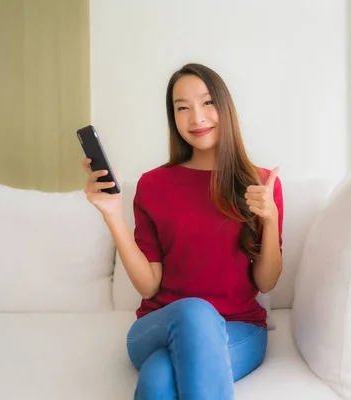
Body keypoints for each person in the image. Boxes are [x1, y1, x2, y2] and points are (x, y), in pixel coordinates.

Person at [82, 63, 284, 399]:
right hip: (158, 325)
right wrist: (112, 216)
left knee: (159, 378)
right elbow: (149, 284)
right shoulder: (152, 185)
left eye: (207, 103)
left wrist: (271, 217)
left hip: (238, 328)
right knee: (194, 311)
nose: (197, 118)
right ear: (172, 118)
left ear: (225, 108)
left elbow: (266, 281)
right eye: (182, 108)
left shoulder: (261, 184)